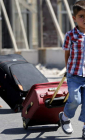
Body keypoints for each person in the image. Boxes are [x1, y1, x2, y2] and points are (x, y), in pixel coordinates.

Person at [59, 0, 85, 138]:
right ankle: (65, 117)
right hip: (74, 74)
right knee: (75, 100)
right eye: (81, 16)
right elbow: (67, 53)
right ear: (74, 18)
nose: (84, 19)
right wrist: (68, 69)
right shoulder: (70, 35)